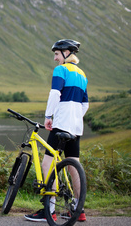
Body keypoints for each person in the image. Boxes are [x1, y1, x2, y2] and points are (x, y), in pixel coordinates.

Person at [25, 39, 88, 223]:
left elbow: (55, 93)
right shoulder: (82, 74)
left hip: (61, 124)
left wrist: (48, 116)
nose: (54, 58)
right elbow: (85, 104)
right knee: (73, 166)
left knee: (48, 165)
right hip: (76, 126)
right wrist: (75, 116)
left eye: (56, 54)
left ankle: (49, 210)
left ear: (67, 52)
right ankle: (78, 209)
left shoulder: (61, 70)